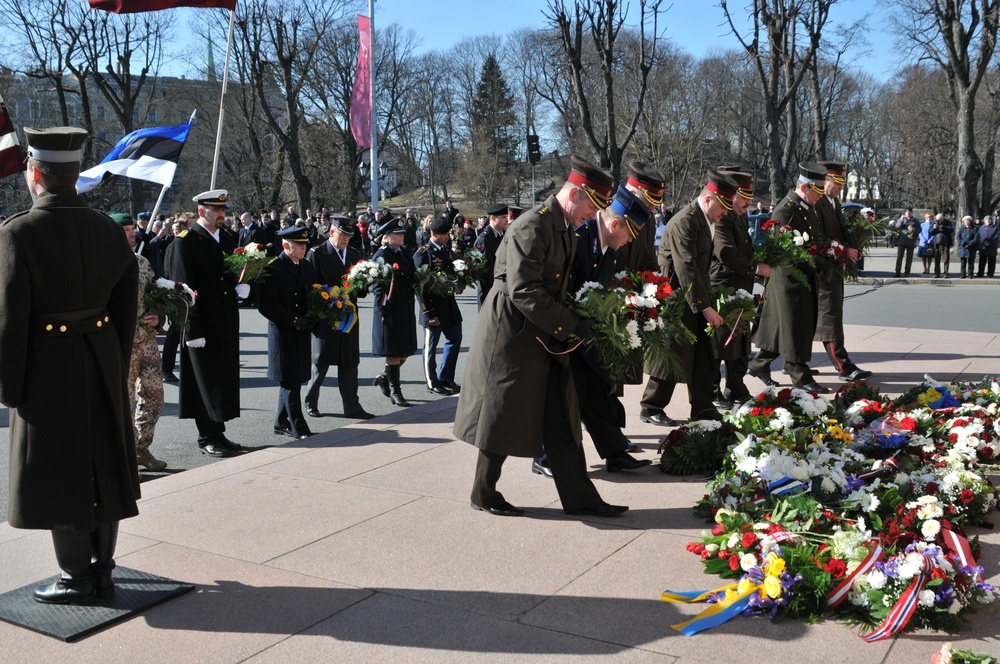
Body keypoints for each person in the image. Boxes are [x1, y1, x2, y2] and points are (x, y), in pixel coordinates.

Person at [0, 126, 139, 605]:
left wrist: (9, 387)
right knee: (104, 463)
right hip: (100, 354)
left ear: (34, 174)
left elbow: (9, 319)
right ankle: (103, 570)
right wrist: (115, 361)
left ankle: (75, 576)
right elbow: (126, 303)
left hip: (46, 365)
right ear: (76, 174)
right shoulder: (106, 227)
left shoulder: (18, 231)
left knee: (61, 470)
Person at [453, 155, 628, 518]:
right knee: (500, 414)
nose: (589, 218)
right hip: (512, 334)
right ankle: (482, 492)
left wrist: (585, 315)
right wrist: (574, 325)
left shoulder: (561, 226)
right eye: (590, 208)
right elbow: (525, 291)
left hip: (542, 333)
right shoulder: (534, 225)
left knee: (561, 415)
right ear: (576, 193)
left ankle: (582, 498)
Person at [639, 170, 735, 424]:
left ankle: (703, 408)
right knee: (672, 357)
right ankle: (651, 408)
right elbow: (686, 268)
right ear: (707, 200)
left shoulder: (705, 220)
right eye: (723, 207)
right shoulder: (686, 221)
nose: (725, 213)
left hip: (692, 295)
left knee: (703, 357)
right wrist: (705, 307)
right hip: (675, 297)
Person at [165, 190, 248, 457]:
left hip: (224, 320)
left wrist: (244, 283)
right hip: (201, 323)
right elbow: (182, 290)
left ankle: (218, 431)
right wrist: (191, 329)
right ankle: (206, 436)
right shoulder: (186, 242)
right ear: (202, 212)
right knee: (204, 379)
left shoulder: (227, 238)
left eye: (223, 209)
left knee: (221, 376)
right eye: (217, 211)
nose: (222, 215)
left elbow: (230, 275)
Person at [748, 162, 829, 393]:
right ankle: (800, 376)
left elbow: (813, 239)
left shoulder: (806, 206)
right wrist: (817, 261)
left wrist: (827, 253)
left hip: (802, 276)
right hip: (789, 279)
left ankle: (758, 364)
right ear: (805, 188)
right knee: (794, 328)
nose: (819, 197)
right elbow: (788, 251)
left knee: (781, 328)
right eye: (817, 192)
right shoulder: (786, 210)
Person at [709, 169, 772, 408]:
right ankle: (713, 390)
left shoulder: (740, 214)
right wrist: (757, 268)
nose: (748, 202)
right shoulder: (722, 217)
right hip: (723, 285)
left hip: (741, 286)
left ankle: (736, 385)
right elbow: (726, 252)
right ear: (731, 196)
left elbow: (744, 247)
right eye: (743, 197)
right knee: (720, 341)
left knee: (740, 340)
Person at [113, 213, 168, 471]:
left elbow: (156, 296)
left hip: (147, 341)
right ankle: (122, 457)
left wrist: (160, 318)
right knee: (123, 402)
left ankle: (140, 448)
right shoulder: (103, 264)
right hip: (120, 344)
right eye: (124, 230)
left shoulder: (142, 262)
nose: (131, 233)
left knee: (154, 396)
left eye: (131, 228)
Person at [304, 217, 374, 419]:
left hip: (349, 317)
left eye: (349, 236)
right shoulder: (316, 254)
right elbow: (310, 288)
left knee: (349, 363)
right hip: (326, 315)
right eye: (342, 234)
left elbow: (359, 290)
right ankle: (311, 400)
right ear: (331, 231)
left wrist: (365, 282)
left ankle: (352, 406)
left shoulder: (353, 253)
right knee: (321, 362)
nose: (346, 239)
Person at [814, 161, 872, 382]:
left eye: (841, 183)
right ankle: (843, 366)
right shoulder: (818, 202)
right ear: (826, 180)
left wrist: (854, 244)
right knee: (830, 319)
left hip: (834, 268)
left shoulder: (833, 201)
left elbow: (838, 232)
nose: (840, 188)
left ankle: (778, 362)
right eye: (837, 183)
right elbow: (819, 239)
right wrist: (843, 250)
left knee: (822, 319)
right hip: (824, 270)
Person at [259, 226, 315, 440]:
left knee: (295, 377)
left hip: (302, 329)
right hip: (283, 331)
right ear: (285, 245)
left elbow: (312, 293)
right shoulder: (273, 268)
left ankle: (281, 421)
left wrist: (313, 314)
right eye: (299, 244)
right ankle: (298, 427)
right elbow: (266, 305)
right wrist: (293, 319)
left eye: (305, 244)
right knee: (290, 380)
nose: (304, 248)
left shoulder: (307, 266)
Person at [371, 218, 419, 407]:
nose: (401, 236)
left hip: (405, 308)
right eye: (397, 234)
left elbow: (411, 276)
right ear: (387, 237)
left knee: (405, 351)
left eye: (402, 234)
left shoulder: (404, 253)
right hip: (389, 309)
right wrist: (383, 311)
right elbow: (378, 286)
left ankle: (384, 377)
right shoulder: (382, 256)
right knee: (394, 352)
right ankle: (395, 391)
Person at [414, 217, 465, 395]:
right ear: (433, 234)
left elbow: (453, 273)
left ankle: (446, 377)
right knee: (431, 347)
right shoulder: (423, 253)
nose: (447, 237)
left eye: (447, 233)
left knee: (455, 339)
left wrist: (461, 281)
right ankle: (432, 382)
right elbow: (419, 287)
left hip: (449, 305)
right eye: (443, 234)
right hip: (432, 307)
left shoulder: (446, 250)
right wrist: (428, 313)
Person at [473, 202, 509, 308]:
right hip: (490, 292)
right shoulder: (485, 239)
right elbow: (486, 272)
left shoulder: (502, 235)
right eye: (503, 217)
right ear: (493, 218)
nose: (507, 220)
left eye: (507, 217)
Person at [894, 209, 919, 277]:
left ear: (911, 213)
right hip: (902, 241)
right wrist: (901, 221)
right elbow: (896, 228)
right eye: (907, 212)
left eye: (910, 212)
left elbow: (919, 230)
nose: (908, 213)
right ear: (905, 213)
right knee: (899, 257)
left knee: (909, 258)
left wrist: (913, 229)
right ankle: (897, 272)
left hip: (911, 241)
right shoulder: (902, 219)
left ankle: (907, 272)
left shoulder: (915, 221)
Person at [931, 213, 954, 278]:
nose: (939, 221)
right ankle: (937, 273)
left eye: (940, 220)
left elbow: (951, 230)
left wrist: (943, 227)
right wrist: (934, 228)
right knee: (936, 259)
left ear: (942, 218)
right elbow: (930, 231)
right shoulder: (934, 222)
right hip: (937, 243)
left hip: (945, 243)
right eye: (937, 220)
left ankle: (946, 273)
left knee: (946, 259)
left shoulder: (947, 222)